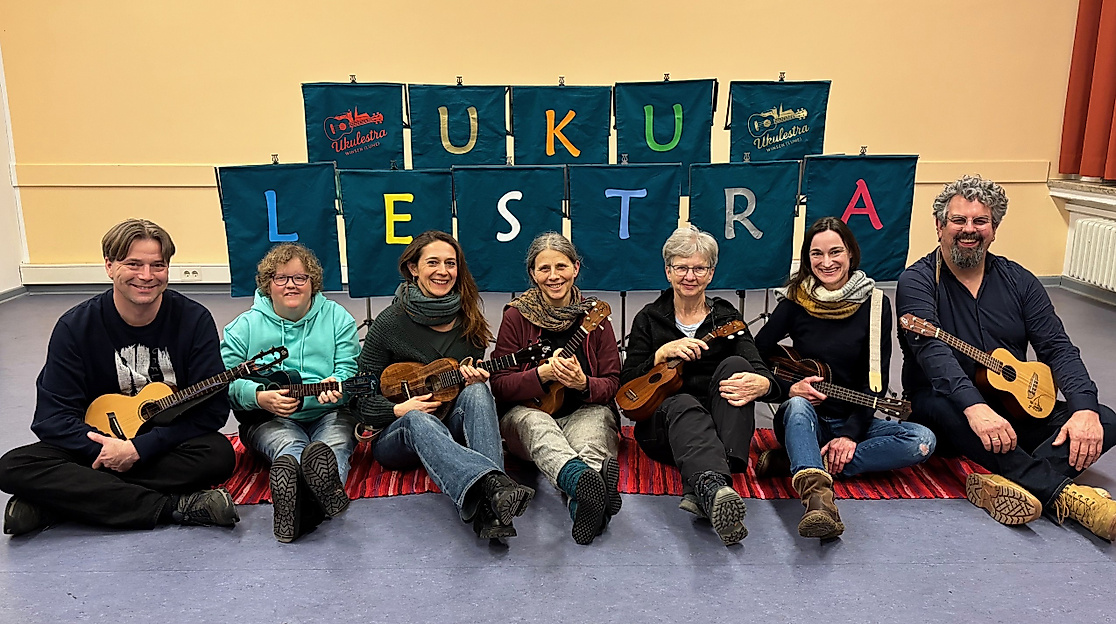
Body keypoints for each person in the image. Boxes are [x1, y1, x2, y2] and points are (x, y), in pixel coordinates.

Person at [897, 174, 1116, 540]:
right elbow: (933, 354)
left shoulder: (1020, 281)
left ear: (994, 229)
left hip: (1012, 404)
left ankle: (1003, 482)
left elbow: (1056, 347)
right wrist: (975, 407)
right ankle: (1068, 497)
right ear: (939, 226)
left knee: (1104, 420)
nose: (969, 229)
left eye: (980, 221)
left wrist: (1083, 408)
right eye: (959, 220)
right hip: (944, 404)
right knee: (946, 407)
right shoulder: (918, 281)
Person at [0, 219, 238, 535]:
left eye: (158, 265)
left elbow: (213, 411)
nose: (146, 276)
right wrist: (105, 451)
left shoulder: (194, 320)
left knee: (218, 455)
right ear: (110, 266)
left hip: (163, 446)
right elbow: (52, 417)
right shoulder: (75, 327)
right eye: (133, 264)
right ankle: (175, 508)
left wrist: (139, 449)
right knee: (12, 467)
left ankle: (56, 501)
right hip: (96, 444)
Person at [754, 217, 936, 539]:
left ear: (851, 253)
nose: (826, 263)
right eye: (816, 254)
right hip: (803, 417)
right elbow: (755, 353)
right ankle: (819, 503)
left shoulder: (876, 304)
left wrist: (850, 434)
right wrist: (787, 387)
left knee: (921, 440)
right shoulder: (796, 301)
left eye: (835, 252)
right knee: (796, 405)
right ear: (807, 258)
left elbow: (875, 383)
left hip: (854, 418)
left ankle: (800, 459)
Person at [354, 230, 535, 540]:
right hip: (399, 436)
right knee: (416, 417)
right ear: (414, 268)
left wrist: (471, 381)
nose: (443, 271)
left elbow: (464, 399)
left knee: (478, 390)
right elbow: (358, 398)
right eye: (433, 262)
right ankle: (495, 483)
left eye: (450, 263)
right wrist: (398, 408)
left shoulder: (469, 321)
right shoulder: (388, 323)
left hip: (446, 427)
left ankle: (490, 508)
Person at [621, 226, 779, 546]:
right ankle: (714, 485)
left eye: (699, 268)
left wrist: (762, 384)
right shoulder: (649, 318)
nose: (689, 276)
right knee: (682, 402)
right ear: (668, 271)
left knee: (737, 366)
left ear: (711, 273)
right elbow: (625, 387)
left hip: (719, 428)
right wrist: (659, 355)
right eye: (681, 267)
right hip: (665, 426)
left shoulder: (725, 316)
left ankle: (709, 488)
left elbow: (761, 371)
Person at [221, 243, 359, 543]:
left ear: (313, 283)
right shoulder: (243, 327)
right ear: (268, 284)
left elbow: (350, 370)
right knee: (288, 448)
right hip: (268, 418)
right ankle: (316, 501)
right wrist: (258, 396)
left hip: (328, 412)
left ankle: (297, 512)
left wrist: (338, 384)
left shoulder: (338, 319)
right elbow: (225, 383)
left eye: (300, 278)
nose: (291, 285)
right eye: (281, 278)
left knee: (334, 446)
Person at [490, 233, 622, 545]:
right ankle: (585, 486)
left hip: (582, 410)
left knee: (595, 429)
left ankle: (584, 506)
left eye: (561, 266)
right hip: (527, 414)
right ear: (532, 273)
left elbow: (613, 383)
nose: (553, 276)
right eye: (544, 268)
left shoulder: (596, 316)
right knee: (537, 426)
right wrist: (540, 374)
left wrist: (583, 383)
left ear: (576, 268)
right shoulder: (516, 315)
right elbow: (500, 384)